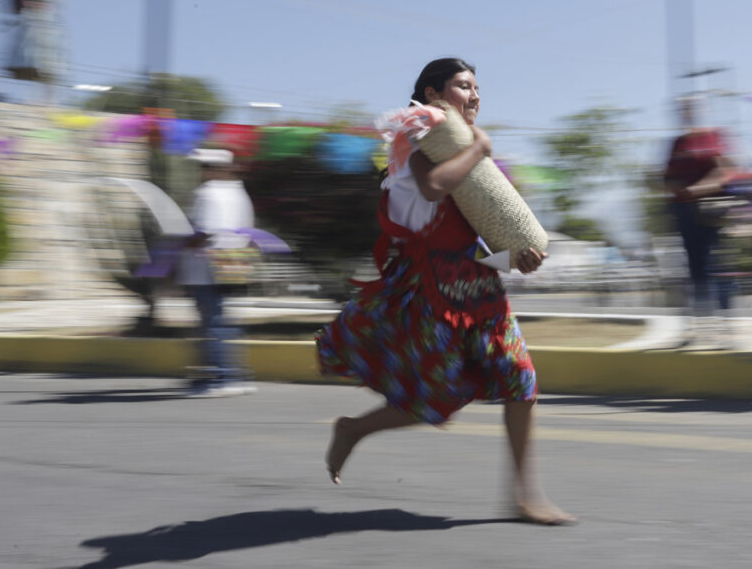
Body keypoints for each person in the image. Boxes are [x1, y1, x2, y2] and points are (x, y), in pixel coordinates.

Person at [315, 57, 574, 525]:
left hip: (481, 291)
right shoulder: (419, 151)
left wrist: (516, 260)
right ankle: (353, 429)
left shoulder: (472, 167)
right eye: (463, 86)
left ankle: (523, 496)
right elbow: (433, 189)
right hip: (431, 294)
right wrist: (479, 149)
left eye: (478, 88)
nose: (475, 96)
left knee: (522, 381)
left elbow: (472, 250)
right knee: (438, 398)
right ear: (433, 97)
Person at [177, 148, 257, 398]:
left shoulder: (208, 193)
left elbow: (204, 232)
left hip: (206, 265)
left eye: (204, 167)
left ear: (212, 169)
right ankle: (230, 375)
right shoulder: (238, 193)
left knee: (212, 321)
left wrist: (177, 246)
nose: (201, 172)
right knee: (221, 319)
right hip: (233, 262)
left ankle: (223, 377)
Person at [662, 97, 740, 345]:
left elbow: (725, 170)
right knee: (695, 269)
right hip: (685, 213)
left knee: (719, 265)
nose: (686, 113)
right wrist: (676, 189)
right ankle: (701, 326)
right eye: (682, 110)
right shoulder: (678, 143)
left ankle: (725, 326)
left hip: (712, 211)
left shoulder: (714, 136)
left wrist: (697, 190)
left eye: (691, 109)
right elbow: (667, 177)